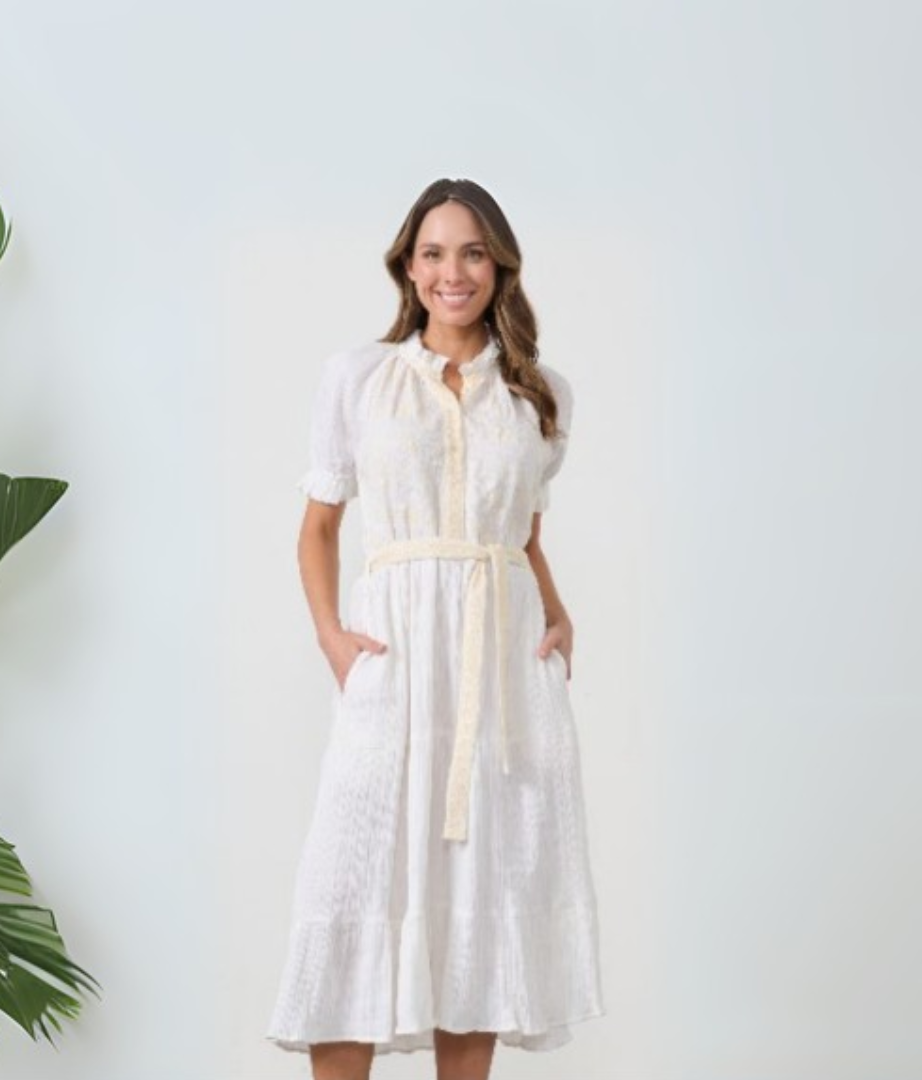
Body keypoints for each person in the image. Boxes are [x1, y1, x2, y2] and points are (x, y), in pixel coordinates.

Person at [266, 178, 605, 1080]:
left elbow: (523, 534)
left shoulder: (542, 395)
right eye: (433, 253)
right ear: (408, 269)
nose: (453, 272)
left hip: (502, 675)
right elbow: (319, 528)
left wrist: (559, 611)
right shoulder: (359, 379)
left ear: (499, 267)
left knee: (476, 909)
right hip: (396, 659)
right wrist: (333, 639)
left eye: (472, 253)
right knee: (354, 883)